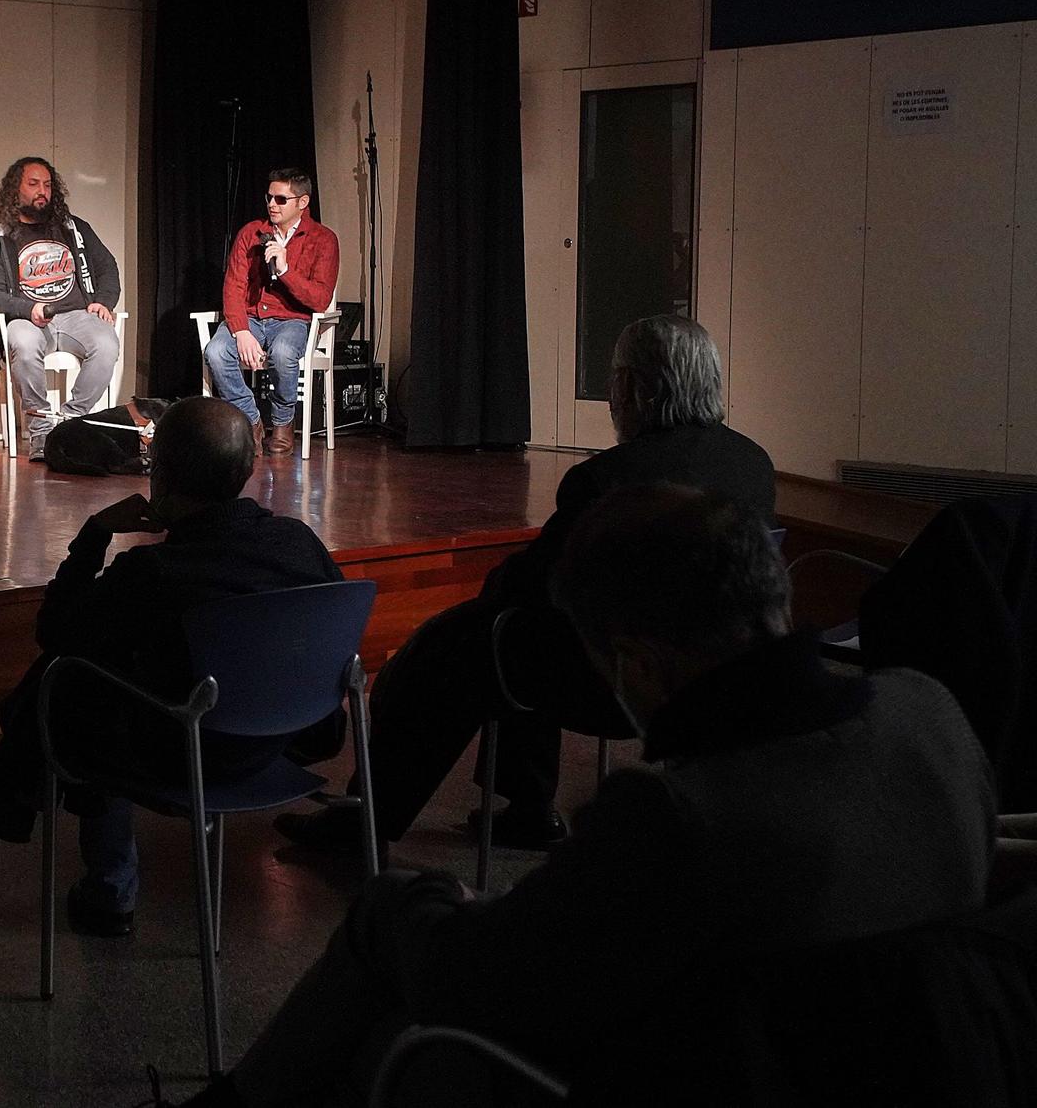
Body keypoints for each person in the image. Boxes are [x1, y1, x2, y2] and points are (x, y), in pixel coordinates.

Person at [188, 484, 994, 1107]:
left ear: (638, 664)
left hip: (701, 1073)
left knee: (388, 985)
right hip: (896, 1069)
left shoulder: (677, 815)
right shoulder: (932, 713)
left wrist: (419, 899)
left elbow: (479, 978)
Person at [278, 315, 775, 854]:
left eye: (614, 379)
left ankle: (367, 828)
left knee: (450, 650)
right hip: (716, 675)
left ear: (633, 387)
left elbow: (540, 584)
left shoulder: (605, 480)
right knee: (518, 633)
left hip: (610, 683)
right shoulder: (753, 464)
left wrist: (492, 589)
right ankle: (528, 809)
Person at [0, 397, 341, 935]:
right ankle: (10, 795)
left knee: (78, 675)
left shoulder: (151, 573)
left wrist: (93, 536)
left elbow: (54, 632)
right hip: (282, 739)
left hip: (187, 754)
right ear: (247, 471)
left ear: (160, 474)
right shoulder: (298, 543)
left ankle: (108, 887)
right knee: (102, 665)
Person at [0, 156, 122, 461]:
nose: (42, 190)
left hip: (76, 316)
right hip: (28, 318)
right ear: (15, 190)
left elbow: (108, 268)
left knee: (107, 343)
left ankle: (69, 423)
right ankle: (41, 431)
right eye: (33, 184)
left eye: (47, 184)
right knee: (23, 344)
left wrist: (103, 302)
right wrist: (28, 308)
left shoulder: (74, 229)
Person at [204, 167, 340, 456]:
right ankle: (251, 421)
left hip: (292, 319)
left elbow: (319, 299)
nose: (271, 204)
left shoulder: (323, 239)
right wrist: (240, 331)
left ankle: (282, 423)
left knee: (282, 352)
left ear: (302, 202)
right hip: (251, 319)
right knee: (216, 352)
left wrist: (285, 270)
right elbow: (233, 287)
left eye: (281, 199)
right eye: (269, 197)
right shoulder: (251, 233)